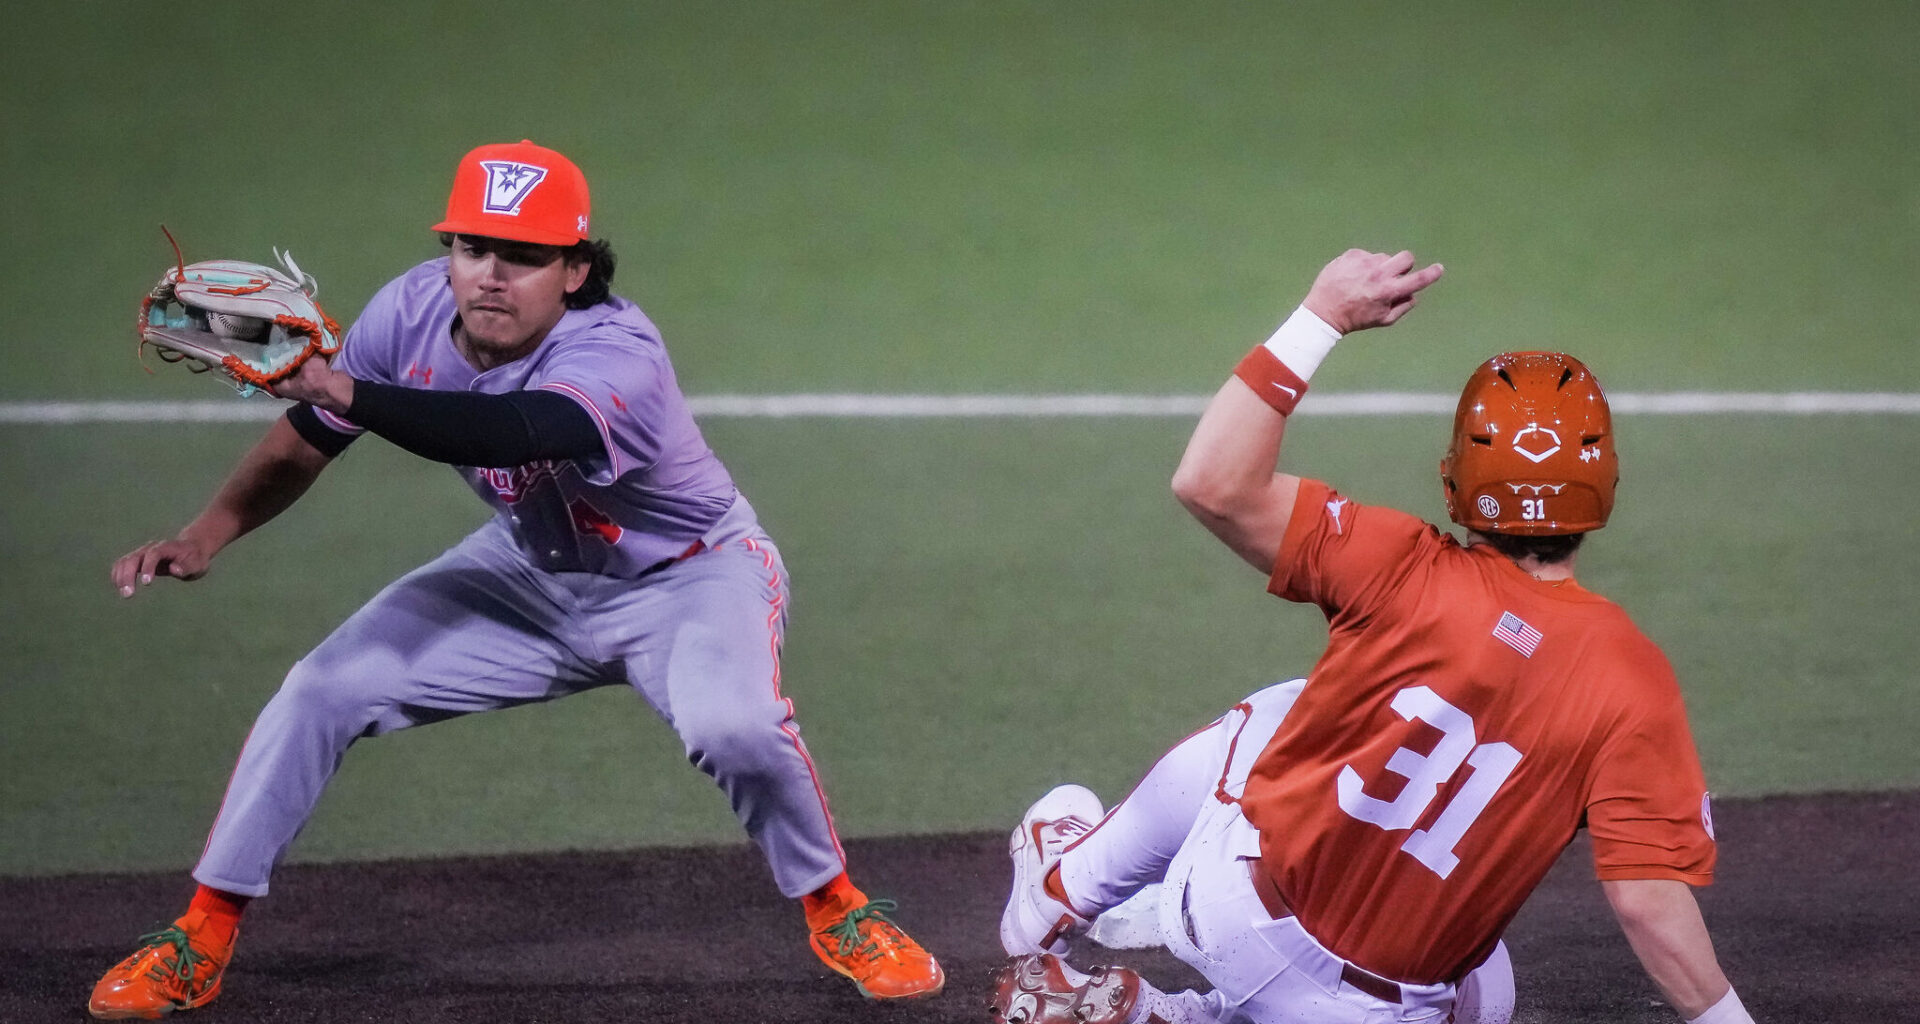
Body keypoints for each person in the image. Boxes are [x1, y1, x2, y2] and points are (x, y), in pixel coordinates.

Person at [88, 140, 943, 1019]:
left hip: (690, 577)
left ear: (573, 270)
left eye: (525, 257)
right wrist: (208, 534)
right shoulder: (407, 312)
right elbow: (308, 438)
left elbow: (510, 431)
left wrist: (337, 386)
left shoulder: (621, 352)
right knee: (320, 689)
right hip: (528, 574)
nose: (491, 275)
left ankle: (837, 907)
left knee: (736, 725)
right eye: (472, 248)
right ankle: (202, 931)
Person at [995, 249, 1755, 1024]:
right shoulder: (1632, 677)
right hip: (1374, 1013)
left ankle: (1061, 893)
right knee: (1487, 992)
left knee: (1285, 712)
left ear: (1455, 477)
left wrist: (1320, 316)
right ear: (1606, 486)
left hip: (1224, 907)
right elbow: (1648, 905)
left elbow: (1211, 482)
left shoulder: (1397, 564)